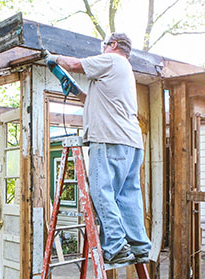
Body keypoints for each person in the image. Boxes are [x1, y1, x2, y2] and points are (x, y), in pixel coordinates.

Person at [44, 33, 151, 264]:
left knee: (102, 192)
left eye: (105, 45)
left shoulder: (112, 60)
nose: (103, 49)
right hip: (131, 143)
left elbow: (74, 64)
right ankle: (139, 246)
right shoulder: (123, 71)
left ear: (113, 45)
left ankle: (115, 246)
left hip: (109, 139)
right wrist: (74, 90)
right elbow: (94, 100)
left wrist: (53, 58)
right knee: (127, 196)